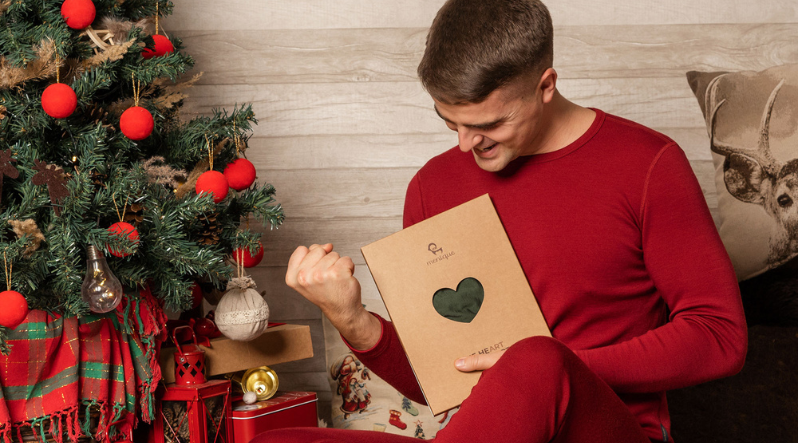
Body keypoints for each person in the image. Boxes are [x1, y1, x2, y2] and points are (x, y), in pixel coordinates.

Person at [255, 0, 747, 441]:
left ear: (546, 85)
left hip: (608, 428)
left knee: (535, 359)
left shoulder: (647, 164)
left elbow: (721, 337)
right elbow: (442, 381)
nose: (468, 145)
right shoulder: (432, 186)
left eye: (489, 124)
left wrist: (559, 367)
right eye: (452, 124)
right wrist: (353, 320)